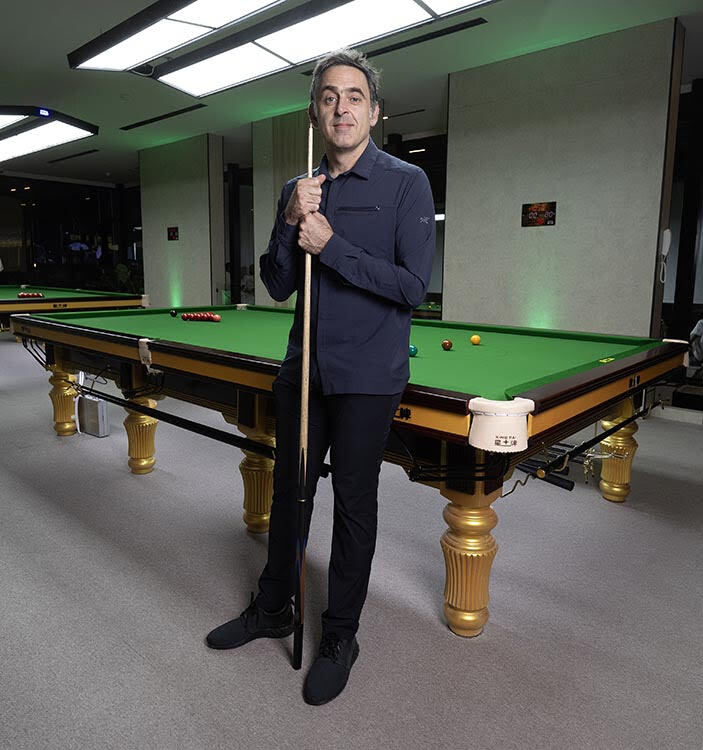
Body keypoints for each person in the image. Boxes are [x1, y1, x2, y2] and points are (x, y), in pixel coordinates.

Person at [206, 48, 436, 705]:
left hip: (368, 375)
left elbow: (411, 287)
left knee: (353, 504)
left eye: (354, 96)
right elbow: (276, 284)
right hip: (302, 368)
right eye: (329, 96)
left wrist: (331, 246)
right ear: (315, 110)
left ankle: (340, 635)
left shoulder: (405, 184)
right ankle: (271, 607)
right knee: (290, 494)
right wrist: (287, 223)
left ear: (374, 111)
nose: (341, 106)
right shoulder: (298, 188)